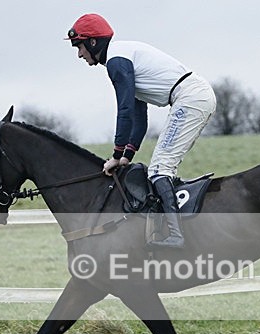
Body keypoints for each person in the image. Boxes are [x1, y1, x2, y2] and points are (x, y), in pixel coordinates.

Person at [66, 13, 217, 249]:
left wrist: (115, 155)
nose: (79, 54)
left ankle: (177, 236)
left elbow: (124, 111)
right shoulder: (122, 56)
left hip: (189, 98)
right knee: (160, 168)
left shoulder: (117, 61)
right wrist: (126, 156)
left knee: (159, 169)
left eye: (79, 46)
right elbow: (139, 118)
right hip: (193, 96)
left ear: (93, 42)